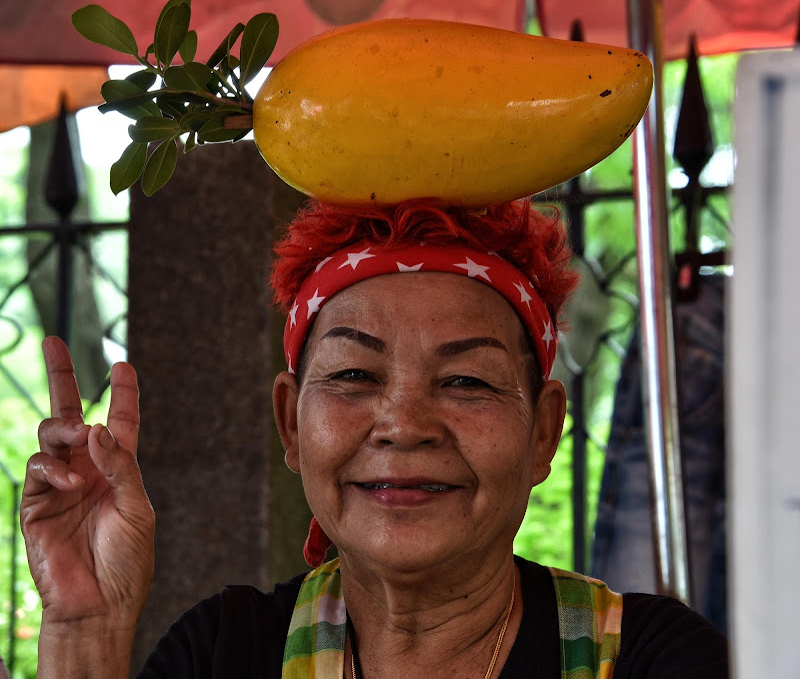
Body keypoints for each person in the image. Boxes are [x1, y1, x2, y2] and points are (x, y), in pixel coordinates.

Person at [21, 198, 729, 678]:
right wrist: (86, 631)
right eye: (355, 373)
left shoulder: (645, 659)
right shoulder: (227, 654)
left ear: (543, 431)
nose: (404, 424)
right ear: (289, 424)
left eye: (466, 382)